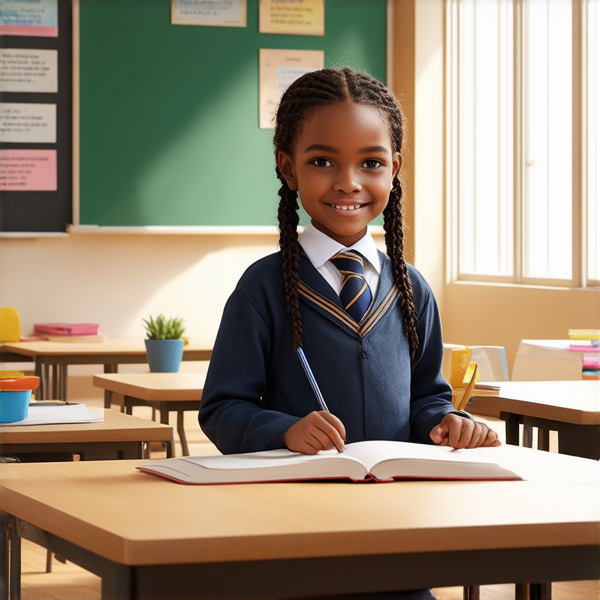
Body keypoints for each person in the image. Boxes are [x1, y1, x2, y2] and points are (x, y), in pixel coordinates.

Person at [199, 66, 499, 600]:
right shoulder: (263, 288)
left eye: (371, 163)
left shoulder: (412, 289)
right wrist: (286, 430)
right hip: (292, 542)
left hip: (397, 539)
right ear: (287, 169)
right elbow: (223, 409)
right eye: (322, 162)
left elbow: (427, 397)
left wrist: (450, 422)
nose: (348, 182)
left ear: (395, 170)